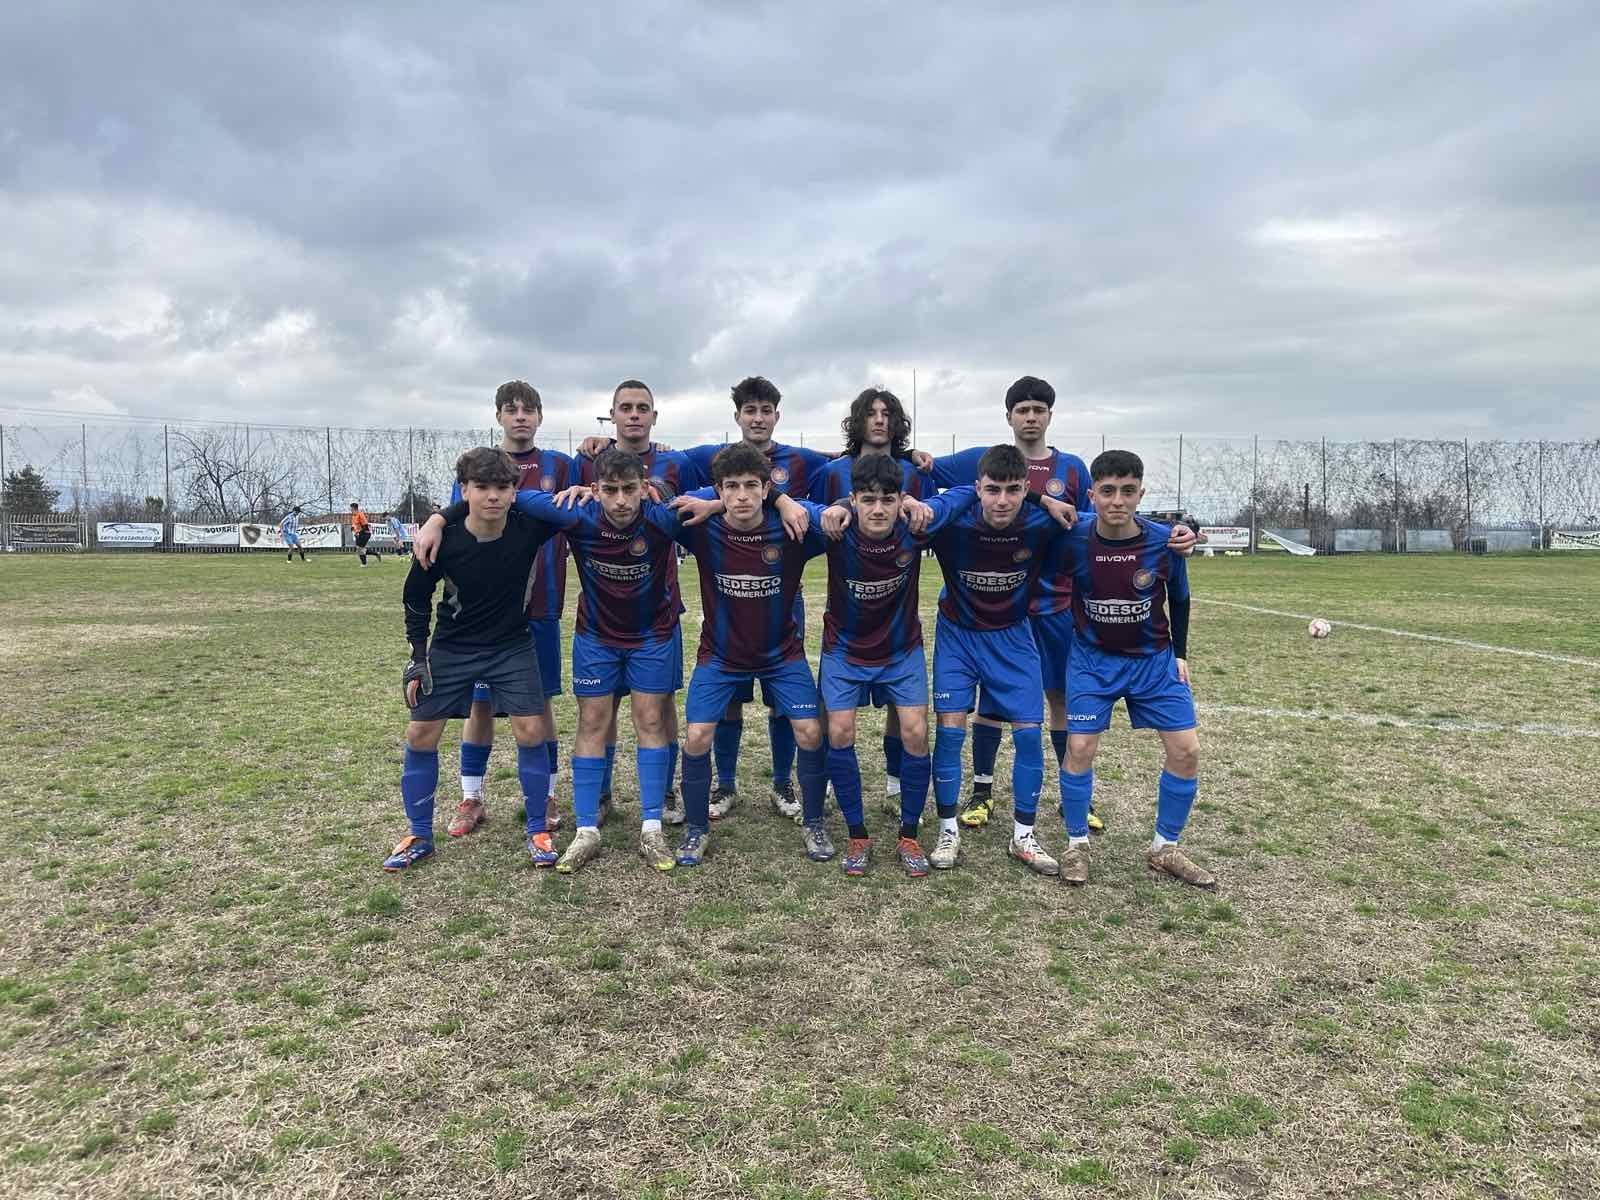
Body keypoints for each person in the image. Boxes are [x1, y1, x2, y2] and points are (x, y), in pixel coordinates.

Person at [910, 376, 1195, 833]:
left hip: (1059, 607)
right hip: (1002, 611)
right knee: (992, 699)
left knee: (1061, 698)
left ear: (1049, 415)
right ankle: (982, 790)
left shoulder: (1073, 467)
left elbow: (1104, 518)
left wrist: (1172, 532)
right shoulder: (981, 459)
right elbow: (925, 469)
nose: (1030, 417)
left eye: (1038, 410)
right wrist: (909, 466)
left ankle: (1071, 796)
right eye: (1021, 410)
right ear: (1008, 417)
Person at [420, 448, 695, 873]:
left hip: (652, 637)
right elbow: (506, 496)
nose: (621, 500)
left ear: (643, 488)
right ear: (594, 490)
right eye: (610, 490)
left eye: (630, 490)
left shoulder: (663, 517)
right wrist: (440, 518)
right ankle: (586, 830)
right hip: (596, 637)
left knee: (651, 719)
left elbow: (731, 495)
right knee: (592, 721)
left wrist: (728, 499)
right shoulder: (576, 513)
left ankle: (651, 827)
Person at [385, 448, 558, 872]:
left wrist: (585, 493)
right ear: (464, 490)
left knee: (532, 729)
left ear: (515, 491)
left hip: (512, 645)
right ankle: (419, 835)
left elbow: (569, 511)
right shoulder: (443, 539)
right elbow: (415, 597)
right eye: (482, 487)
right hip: (452, 648)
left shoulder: (529, 528)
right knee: (420, 734)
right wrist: (418, 655)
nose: (493, 496)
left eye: (503, 487)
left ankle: (538, 829)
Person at [807, 455, 977, 876]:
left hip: (900, 651)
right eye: (868, 500)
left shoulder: (913, 529)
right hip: (845, 651)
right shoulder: (835, 529)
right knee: (839, 731)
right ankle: (857, 835)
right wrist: (829, 509)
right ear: (853, 500)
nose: (879, 509)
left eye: (888, 499)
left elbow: (966, 492)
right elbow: (790, 506)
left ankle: (909, 835)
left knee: (916, 732)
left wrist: (923, 505)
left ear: (900, 499)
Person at [675, 377, 833, 822]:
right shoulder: (713, 458)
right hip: (729, 612)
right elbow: (667, 465)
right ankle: (725, 784)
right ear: (738, 416)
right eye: (750, 410)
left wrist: (784, 502)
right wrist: (718, 504)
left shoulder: (800, 459)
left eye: (766, 410)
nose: (758, 418)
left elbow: (839, 472)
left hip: (783, 598)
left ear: (777, 416)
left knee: (784, 703)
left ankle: (783, 782)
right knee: (727, 701)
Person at [914, 444, 1074, 874]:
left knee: (1028, 736)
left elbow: (1108, 525)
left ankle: (1024, 835)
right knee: (950, 733)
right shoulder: (953, 521)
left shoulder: (1042, 520)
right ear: (977, 488)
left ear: (1025, 489)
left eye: (1013, 490)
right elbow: (917, 513)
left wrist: (1170, 534)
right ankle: (948, 831)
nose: (1002, 500)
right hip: (958, 636)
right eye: (992, 490)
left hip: (1013, 637)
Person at [1058, 450, 1212, 888]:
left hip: (1153, 661)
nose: (1118, 501)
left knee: (1187, 750)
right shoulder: (1072, 538)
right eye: (1107, 491)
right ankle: (1076, 844)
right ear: (1092, 495)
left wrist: (1181, 653)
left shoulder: (1164, 542)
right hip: (1093, 661)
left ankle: (1165, 848)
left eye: (1128, 491)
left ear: (1141, 494)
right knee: (1079, 748)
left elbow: (1179, 597)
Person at [667, 443, 824, 867]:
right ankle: (697, 829)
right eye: (731, 487)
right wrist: (711, 504)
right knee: (697, 736)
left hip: (781, 654)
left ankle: (813, 822)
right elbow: (651, 505)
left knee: (810, 731)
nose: (741, 496)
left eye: (751, 486)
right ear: (718, 490)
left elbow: (836, 513)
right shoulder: (700, 526)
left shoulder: (791, 526)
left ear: (766, 488)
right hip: (721, 655)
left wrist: (786, 501)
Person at [446, 382, 575, 841]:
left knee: (540, 705)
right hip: (483, 611)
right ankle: (472, 796)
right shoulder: (477, 464)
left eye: (529, 409)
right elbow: (457, 514)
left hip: (540, 606)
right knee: (479, 705)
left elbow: (584, 497)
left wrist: (598, 445)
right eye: (511, 409)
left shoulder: (561, 465)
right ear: (499, 416)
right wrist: (438, 519)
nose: (520, 416)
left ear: (540, 416)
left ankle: (547, 794)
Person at [573, 380, 696, 825]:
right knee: (600, 710)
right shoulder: (587, 459)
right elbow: (567, 504)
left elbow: (709, 493)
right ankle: (601, 794)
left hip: (659, 612)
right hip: (603, 616)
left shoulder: (677, 462)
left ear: (654, 416)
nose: (634, 415)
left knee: (659, 707)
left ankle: (665, 794)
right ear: (612, 415)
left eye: (642, 407)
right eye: (625, 407)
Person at [809, 387, 935, 819]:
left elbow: (945, 500)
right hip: (846, 628)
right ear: (857, 420)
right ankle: (832, 784)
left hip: (897, 632)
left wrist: (914, 491)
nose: (879, 420)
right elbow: (808, 507)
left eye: (887, 413)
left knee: (906, 714)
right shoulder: (832, 471)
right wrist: (836, 507)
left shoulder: (914, 470)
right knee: (834, 716)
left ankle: (897, 783)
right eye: (871, 413)